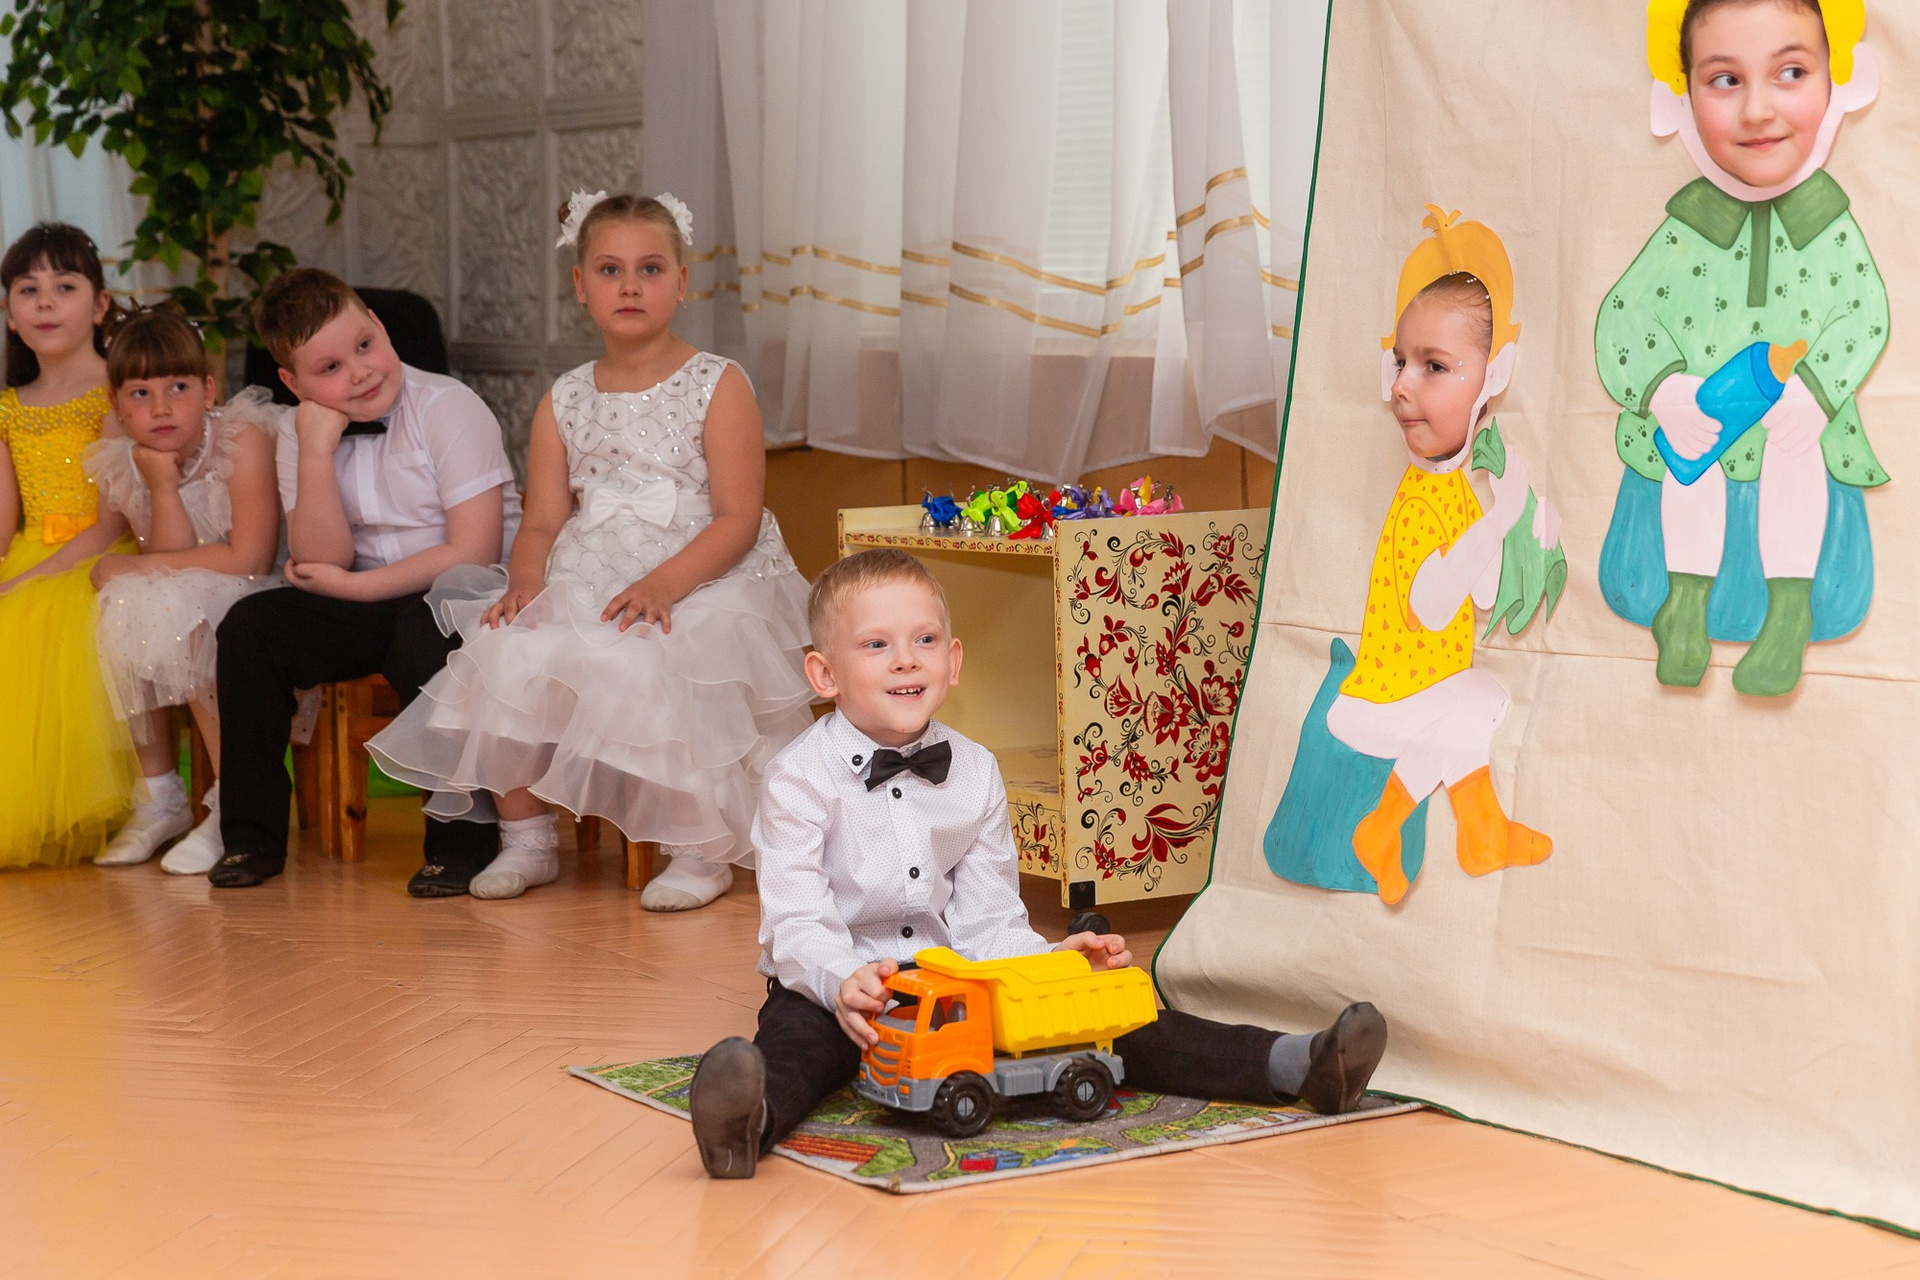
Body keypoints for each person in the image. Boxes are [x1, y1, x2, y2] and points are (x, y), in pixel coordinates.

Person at [687, 549, 1389, 1178]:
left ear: (952, 661)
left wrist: (1053, 965)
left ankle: (1297, 1064)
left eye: (924, 641)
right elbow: (796, 924)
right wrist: (842, 982)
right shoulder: (796, 778)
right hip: (835, 987)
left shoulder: (975, 770)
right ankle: (747, 1124)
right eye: (876, 645)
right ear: (824, 673)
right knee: (799, 1047)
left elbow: (989, 920)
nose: (906, 660)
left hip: (957, 988)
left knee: (1116, 1017)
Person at [367, 192, 812, 910]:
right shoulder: (565, 397)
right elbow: (542, 519)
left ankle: (696, 847)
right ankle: (527, 839)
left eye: (650, 269)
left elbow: (738, 517)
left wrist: (664, 585)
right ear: (580, 285)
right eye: (610, 270)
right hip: (592, 567)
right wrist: (524, 581)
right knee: (505, 653)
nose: (630, 286)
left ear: (682, 281)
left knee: (663, 657)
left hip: (703, 571)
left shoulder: (717, 383)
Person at [1597, 0, 1885, 695]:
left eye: (1790, 72)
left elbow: (1864, 314)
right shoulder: (1689, 222)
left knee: (1796, 451)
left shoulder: (1827, 221)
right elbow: (1624, 317)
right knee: (1691, 447)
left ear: (1837, 76)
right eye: (1725, 80)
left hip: (1794, 426)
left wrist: (1815, 394)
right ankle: (1685, 605)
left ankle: (1788, 613)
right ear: (1684, 92)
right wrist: (1666, 392)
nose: (1757, 110)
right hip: (1706, 421)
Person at [209, 268, 520, 892]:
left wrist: (350, 589)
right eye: (329, 368)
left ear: (379, 326)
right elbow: (321, 556)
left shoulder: (449, 406)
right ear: (293, 384)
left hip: (463, 593)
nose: (359, 372)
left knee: (422, 634)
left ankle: (460, 842)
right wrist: (316, 452)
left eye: (364, 345)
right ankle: (250, 839)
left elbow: (474, 551)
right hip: (364, 592)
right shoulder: (300, 431)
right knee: (248, 628)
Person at [87, 309, 282, 873]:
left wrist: (130, 568)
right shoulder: (126, 459)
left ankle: (231, 801)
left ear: (209, 390)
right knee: (128, 606)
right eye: (140, 393)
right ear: (116, 404)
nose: (161, 408)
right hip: (189, 586)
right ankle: (160, 796)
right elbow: (168, 554)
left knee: (177, 610)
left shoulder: (242, 437)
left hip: (259, 591)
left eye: (178, 387)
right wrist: (161, 485)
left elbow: (249, 559)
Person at [0, 222, 139, 867]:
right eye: (28, 290)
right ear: (10, 313)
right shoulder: (8, 407)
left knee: (36, 620)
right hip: (31, 552)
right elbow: (6, 524)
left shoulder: (117, 393)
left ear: (100, 304)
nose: (46, 302)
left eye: (64, 286)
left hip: (100, 558)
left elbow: (115, 523)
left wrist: (34, 577)